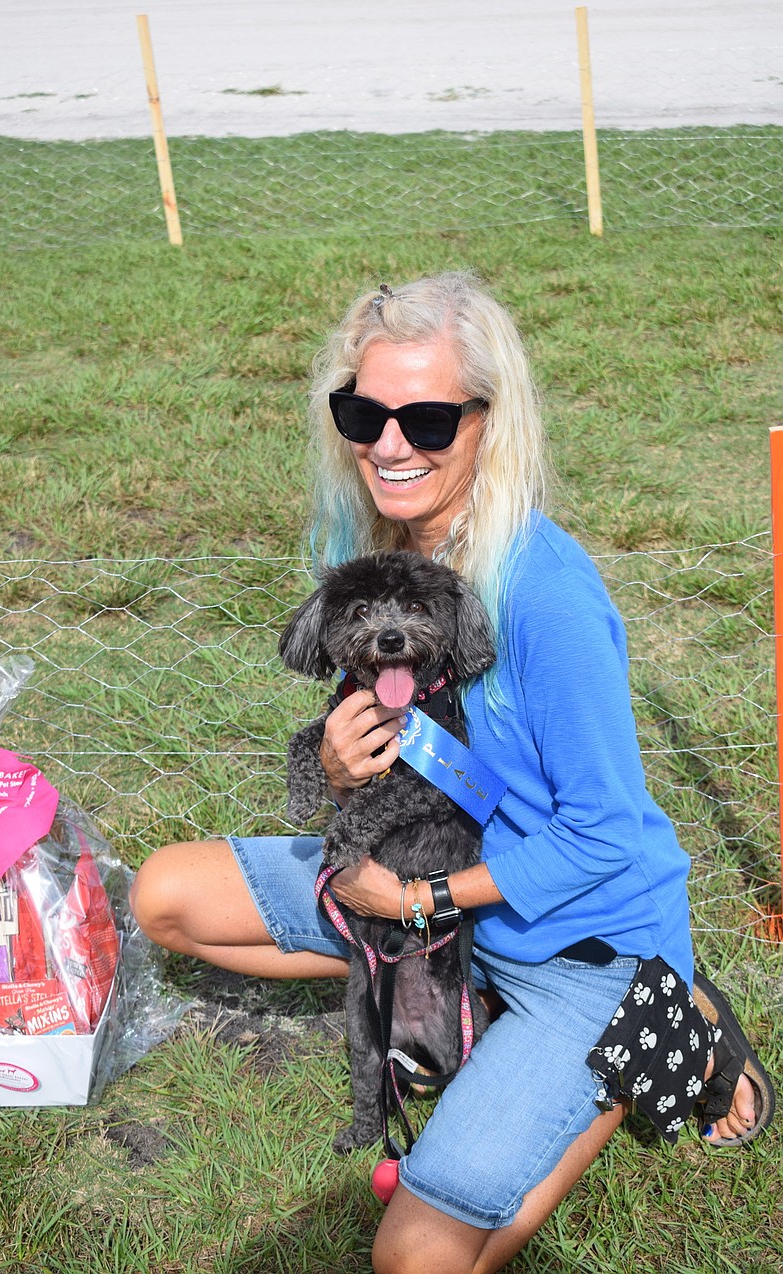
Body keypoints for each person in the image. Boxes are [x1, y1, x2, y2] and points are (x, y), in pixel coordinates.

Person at [130, 272, 771, 1273]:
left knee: (416, 1259)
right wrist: (342, 777)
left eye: (427, 417)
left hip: (580, 937)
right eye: (364, 412)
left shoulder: (545, 591)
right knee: (165, 895)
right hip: (436, 879)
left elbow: (602, 832)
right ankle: (461, 997)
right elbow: (403, 739)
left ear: (488, 419)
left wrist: (420, 898)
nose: (390, 444)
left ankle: (662, 1023)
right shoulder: (367, 544)